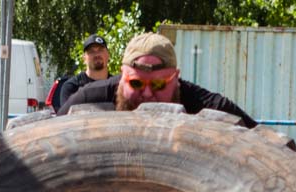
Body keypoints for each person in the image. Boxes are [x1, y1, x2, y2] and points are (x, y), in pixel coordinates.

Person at [57, 32, 257, 129]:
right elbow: (49, 133)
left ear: (175, 78)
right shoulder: (88, 96)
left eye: (159, 84)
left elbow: (265, 143)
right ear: (122, 76)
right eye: (136, 83)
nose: (147, 94)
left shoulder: (202, 100)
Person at [58, 34, 112, 106]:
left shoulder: (117, 86)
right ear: (84, 59)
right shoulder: (72, 87)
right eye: (91, 51)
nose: (97, 55)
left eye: (100, 50)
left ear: (108, 55)